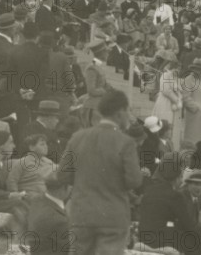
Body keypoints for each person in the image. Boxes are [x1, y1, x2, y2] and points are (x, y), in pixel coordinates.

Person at [60, 90, 143, 255]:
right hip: (112, 217)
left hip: (81, 214)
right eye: (128, 111)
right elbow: (134, 181)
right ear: (120, 113)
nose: (129, 117)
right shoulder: (125, 143)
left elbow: (62, 175)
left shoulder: (77, 137)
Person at [138, 152, 201, 255]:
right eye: (181, 176)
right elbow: (187, 224)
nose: (182, 180)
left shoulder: (149, 191)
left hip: (143, 236)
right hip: (163, 240)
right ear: (176, 178)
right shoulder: (175, 196)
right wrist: (200, 234)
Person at [26, 172, 71, 254]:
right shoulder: (58, 220)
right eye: (70, 187)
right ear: (63, 189)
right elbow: (73, 247)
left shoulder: (36, 200)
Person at [7, 134, 54, 199]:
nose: (46, 147)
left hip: (48, 198)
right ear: (32, 147)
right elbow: (12, 180)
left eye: (46, 144)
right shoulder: (22, 162)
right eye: (42, 144)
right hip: (29, 198)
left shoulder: (49, 162)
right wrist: (17, 196)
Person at [181, 58, 201, 146]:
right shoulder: (188, 79)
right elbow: (185, 97)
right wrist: (196, 109)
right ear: (193, 69)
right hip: (195, 114)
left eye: (200, 69)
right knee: (194, 138)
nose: (198, 71)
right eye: (196, 69)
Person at [82, 40, 113, 127]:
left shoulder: (98, 67)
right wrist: (105, 91)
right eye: (106, 52)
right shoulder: (91, 68)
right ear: (101, 53)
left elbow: (102, 84)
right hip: (93, 106)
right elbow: (91, 90)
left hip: (99, 106)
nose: (108, 54)